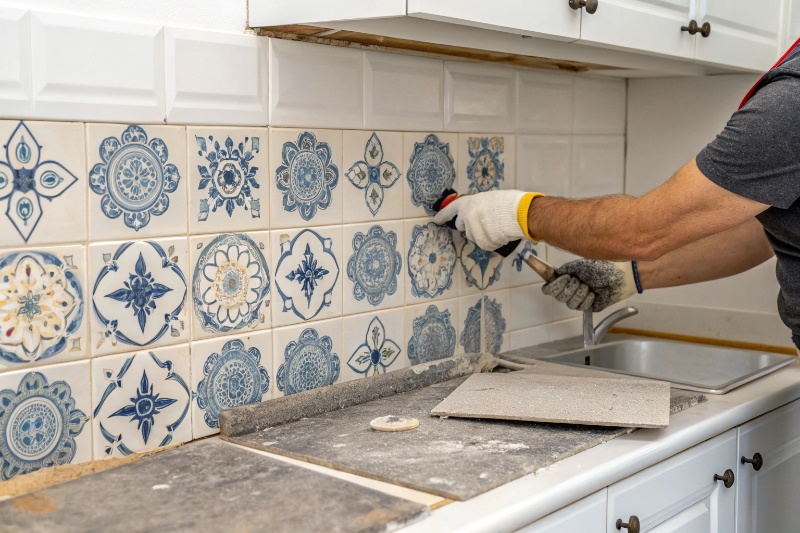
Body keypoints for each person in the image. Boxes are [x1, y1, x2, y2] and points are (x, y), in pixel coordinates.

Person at [434, 40, 800, 348]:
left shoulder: (789, 106)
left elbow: (640, 230)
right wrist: (632, 275)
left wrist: (515, 212)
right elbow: (765, 231)